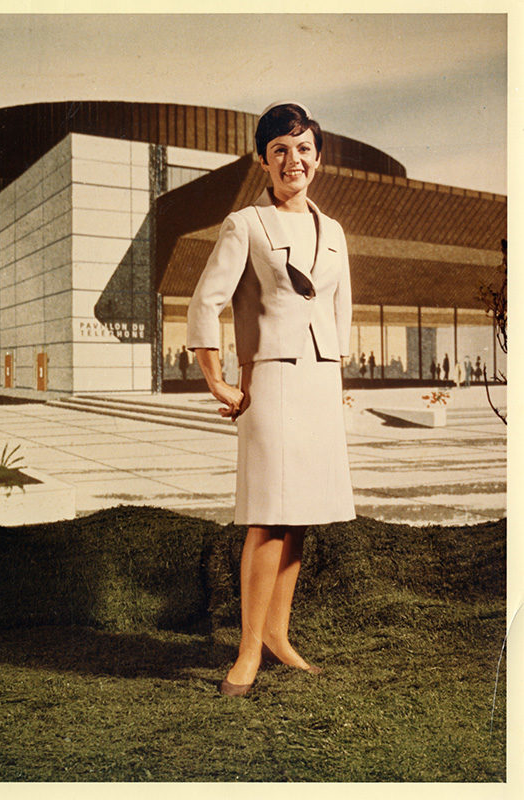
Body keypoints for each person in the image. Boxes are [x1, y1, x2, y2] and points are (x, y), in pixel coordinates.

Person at [187, 101, 355, 696]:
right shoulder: (246, 226)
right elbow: (203, 303)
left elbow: (341, 314)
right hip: (271, 385)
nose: (294, 160)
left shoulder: (332, 231)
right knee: (268, 517)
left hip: (316, 386)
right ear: (264, 159)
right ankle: (247, 651)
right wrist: (216, 379)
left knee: (301, 515)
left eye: (304, 148)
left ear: (318, 158)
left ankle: (278, 636)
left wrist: (338, 383)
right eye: (280, 150)